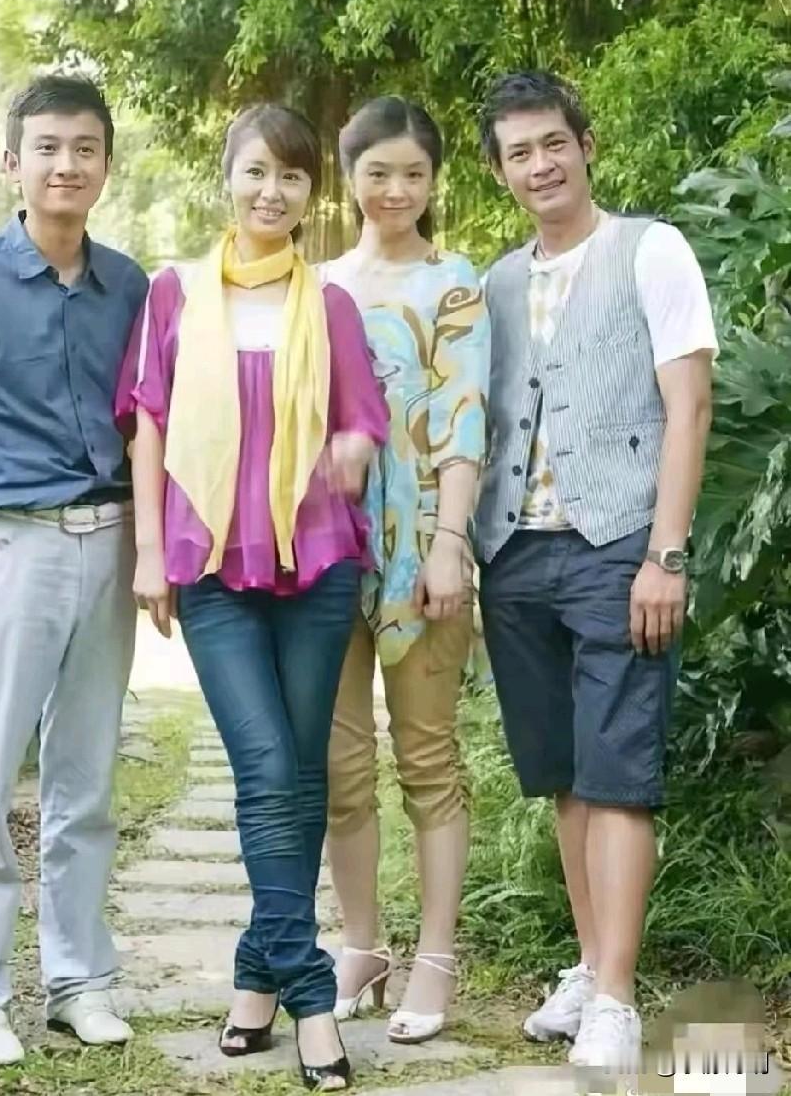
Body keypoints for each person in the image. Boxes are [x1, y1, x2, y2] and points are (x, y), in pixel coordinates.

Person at [114, 103, 388, 1091]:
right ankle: (312, 991)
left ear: (312, 193)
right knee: (270, 767)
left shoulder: (333, 305)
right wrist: (151, 552)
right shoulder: (176, 292)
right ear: (227, 176)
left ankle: (255, 975)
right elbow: (147, 422)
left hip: (317, 563)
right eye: (257, 171)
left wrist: (348, 447)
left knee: (300, 774)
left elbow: (362, 421)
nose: (272, 191)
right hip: (211, 565)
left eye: (292, 177)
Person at [474, 70, 716, 1070]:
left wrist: (666, 551)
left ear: (584, 145)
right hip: (513, 550)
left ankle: (616, 996)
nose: (540, 165)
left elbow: (688, 406)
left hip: (618, 541)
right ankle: (588, 965)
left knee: (617, 773)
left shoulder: (650, 249)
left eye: (552, 143)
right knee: (564, 774)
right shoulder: (494, 283)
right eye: (518, 153)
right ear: (500, 171)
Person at [0, 75, 149, 1065]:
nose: (66, 165)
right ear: (13, 161)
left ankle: (78, 983)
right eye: (47, 147)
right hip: (13, 539)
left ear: (105, 164)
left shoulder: (129, 286)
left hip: (112, 539)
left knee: (85, 779)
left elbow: (144, 420)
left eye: (84, 148)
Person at [320, 96, 490, 1045]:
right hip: (326, 546)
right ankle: (360, 942)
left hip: (424, 544)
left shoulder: (452, 281)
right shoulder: (315, 285)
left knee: (426, 755)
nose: (395, 189)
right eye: (377, 171)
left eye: (413, 173)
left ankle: (434, 955)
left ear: (433, 181)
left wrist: (449, 541)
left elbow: (463, 419)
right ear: (348, 175)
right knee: (340, 763)